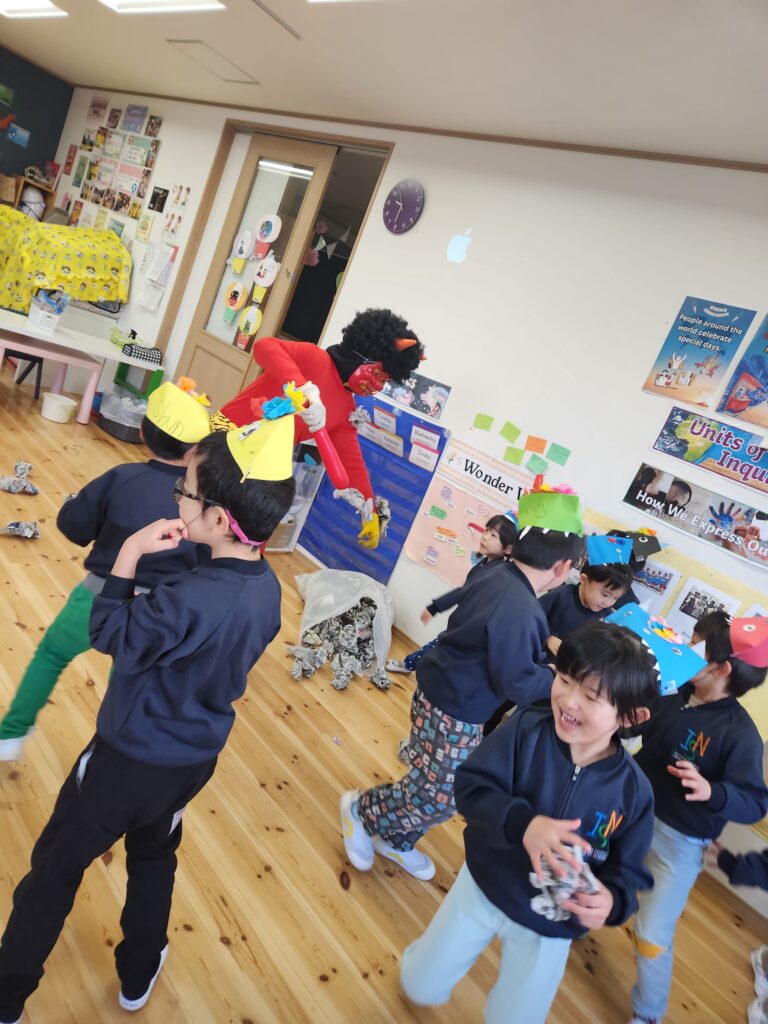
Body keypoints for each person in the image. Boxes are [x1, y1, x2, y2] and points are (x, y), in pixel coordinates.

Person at [0, 414, 296, 1024]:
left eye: (186, 491)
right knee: (155, 856)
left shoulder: (187, 597)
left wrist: (130, 552)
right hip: (192, 763)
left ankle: (5, 997)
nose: (177, 498)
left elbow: (109, 633)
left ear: (220, 520)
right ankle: (139, 970)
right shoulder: (268, 590)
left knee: (54, 868)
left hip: (123, 762)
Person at [399, 621, 659, 1024]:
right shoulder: (526, 728)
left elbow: (628, 873)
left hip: (552, 923)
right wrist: (523, 825)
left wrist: (613, 902)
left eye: (591, 696)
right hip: (485, 884)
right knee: (419, 985)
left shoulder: (635, 793)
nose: (568, 700)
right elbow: (471, 786)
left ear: (630, 716)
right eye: (565, 679)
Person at [339, 484, 585, 882]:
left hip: (444, 691)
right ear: (561, 567)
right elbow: (517, 683)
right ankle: (362, 811)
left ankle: (396, 839)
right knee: (444, 794)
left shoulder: (497, 573)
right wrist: (557, 682)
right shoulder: (520, 608)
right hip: (454, 708)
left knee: (431, 779)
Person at [0, 380, 212, 762]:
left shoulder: (122, 477)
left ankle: (11, 735)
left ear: (142, 431)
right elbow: (206, 563)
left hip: (97, 597)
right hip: (156, 614)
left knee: (52, 654)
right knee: (126, 686)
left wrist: (73, 506)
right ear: (195, 451)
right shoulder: (202, 505)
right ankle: (104, 757)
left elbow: (74, 527)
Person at [628, 611, 768, 1024]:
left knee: (651, 936)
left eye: (695, 642)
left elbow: (755, 803)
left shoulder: (741, 735)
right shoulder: (672, 690)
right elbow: (637, 729)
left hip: (678, 845)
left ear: (722, 669)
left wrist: (712, 791)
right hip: (631, 813)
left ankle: (648, 1013)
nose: (684, 646)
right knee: (596, 878)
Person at [212, 308, 425, 549]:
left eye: (384, 381)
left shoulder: (346, 408)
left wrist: (370, 510)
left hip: (262, 468)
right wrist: (305, 389)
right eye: (377, 374)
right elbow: (264, 346)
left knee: (246, 540)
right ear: (361, 355)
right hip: (226, 443)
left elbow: (351, 462)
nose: (377, 385)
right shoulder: (314, 358)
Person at [386, 514, 517, 675]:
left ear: (508, 549)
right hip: (464, 622)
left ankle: (410, 666)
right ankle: (411, 666)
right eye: (486, 530)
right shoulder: (485, 565)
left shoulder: (498, 572)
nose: (485, 537)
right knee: (439, 646)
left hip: (473, 628)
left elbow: (463, 591)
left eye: (493, 535)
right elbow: (465, 590)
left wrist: (434, 607)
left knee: (439, 647)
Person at [540, 533, 635, 657]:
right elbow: (529, 620)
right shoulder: (561, 596)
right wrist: (548, 637)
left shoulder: (607, 617)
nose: (608, 603)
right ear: (584, 580)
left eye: (616, 598)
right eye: (605, 594)